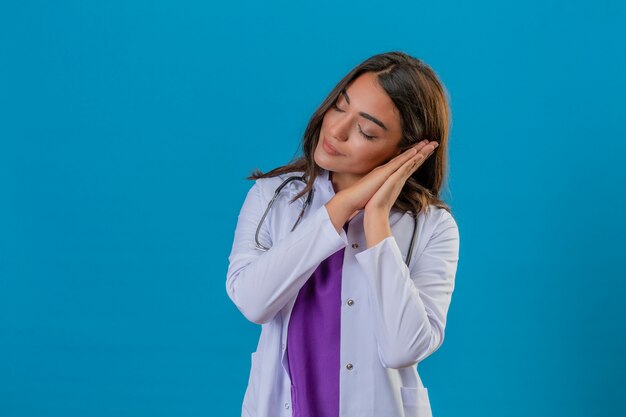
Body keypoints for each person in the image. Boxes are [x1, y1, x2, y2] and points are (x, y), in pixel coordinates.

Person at [226, 51, 460, 417]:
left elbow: (403, 348)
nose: (335, 131)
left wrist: (377, 218)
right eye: (339, 107)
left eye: (365, 131)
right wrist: (340, 208)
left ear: (406, 151)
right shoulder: (272, 197)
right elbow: (254, 302)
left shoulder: (432, 226)